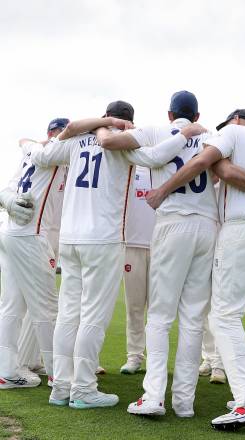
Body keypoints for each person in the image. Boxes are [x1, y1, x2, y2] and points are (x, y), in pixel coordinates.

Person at [28, 103, 192, 409]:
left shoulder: (76, 142)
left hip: (70, 238)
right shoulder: (124, 145)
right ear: (129, 122)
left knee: (68, 315)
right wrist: (186, 134)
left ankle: (61, 386)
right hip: (103, 239)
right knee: (92, 316)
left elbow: (40, 154)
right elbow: (157, 157)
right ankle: (84, 388)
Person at [145, 108, 245, 430]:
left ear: (235, 121)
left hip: (241, 229)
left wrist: (162, 190)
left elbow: (207, 164)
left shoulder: (232, 133)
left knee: (223, 316)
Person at [0, 118, 68, 390]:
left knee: (12, 305)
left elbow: (7, 187)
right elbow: (6, 189)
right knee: (47, 307)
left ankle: (7, 371)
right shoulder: (50, 153)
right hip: (32, 235)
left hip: (13, 234)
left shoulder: (32, 154)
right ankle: (58, 375)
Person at [119, 165, 155, 375]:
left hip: (160, 246)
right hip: (131, 245)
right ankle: (134, 356)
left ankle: (155, 357)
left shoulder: (161, 168)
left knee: (157, 309)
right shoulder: (128, 169)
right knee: (134, 307)